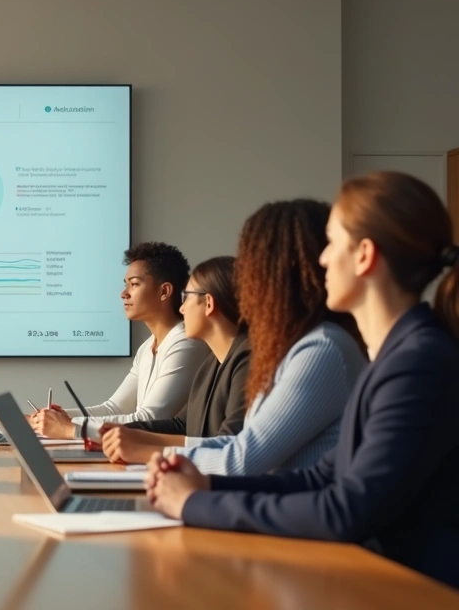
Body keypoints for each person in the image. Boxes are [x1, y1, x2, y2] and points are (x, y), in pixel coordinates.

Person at [146, 172, 459, 590]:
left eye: (332, 243)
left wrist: (195, 503)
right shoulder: (395, 356)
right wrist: (205, 483)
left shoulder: (417, 362)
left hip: (412, 590)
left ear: (365, 255)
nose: (323, 259)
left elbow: (346, 511)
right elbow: (320, 477)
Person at [149, 199, 367, 476]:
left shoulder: (321, 349)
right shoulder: (295, 348)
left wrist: (155, 455)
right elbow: (240, 446)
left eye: (250, 266)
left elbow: (242, 460)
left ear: (271, 272)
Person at [30, 242, 211, 441]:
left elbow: (150, 419)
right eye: (125, 284)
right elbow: (113, 407)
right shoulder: (148, 347)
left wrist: (69, 427)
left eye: (134, 284)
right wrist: (59, 418)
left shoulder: (186, 343)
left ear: (164, 291)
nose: (123, 293)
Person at [100, 256, 251, 463]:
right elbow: (181, 425)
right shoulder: (212, 363)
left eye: (187, 297)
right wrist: (120, 432)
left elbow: (228, 445)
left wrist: (143, 449)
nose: (181, 308)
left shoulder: (248, 361)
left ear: (208, 303)